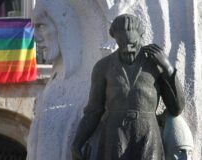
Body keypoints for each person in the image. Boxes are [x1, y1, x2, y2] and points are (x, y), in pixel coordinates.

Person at [71, 14, 185, 160]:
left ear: (140, 36)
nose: (128, 49)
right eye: (123, 44)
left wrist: (168, 68)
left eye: (132, 43)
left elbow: (176, 108)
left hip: (148, 136)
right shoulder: (103, 67)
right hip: (114, 136)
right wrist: (77, 143)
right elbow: (93, 111)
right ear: (115, 39)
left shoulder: (155, 64)